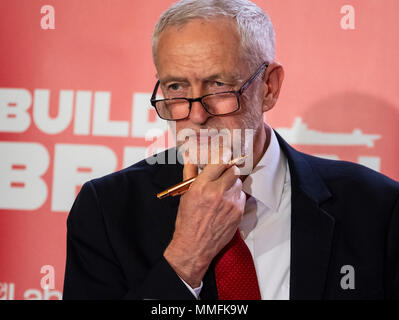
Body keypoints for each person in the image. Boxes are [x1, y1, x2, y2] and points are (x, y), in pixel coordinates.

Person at [62, 0, 399, 300]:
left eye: (218, 85)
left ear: (269, 87)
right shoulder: (107, 209)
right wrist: (186, 258)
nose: (197, 114)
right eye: (177, 87)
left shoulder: (376, 206)